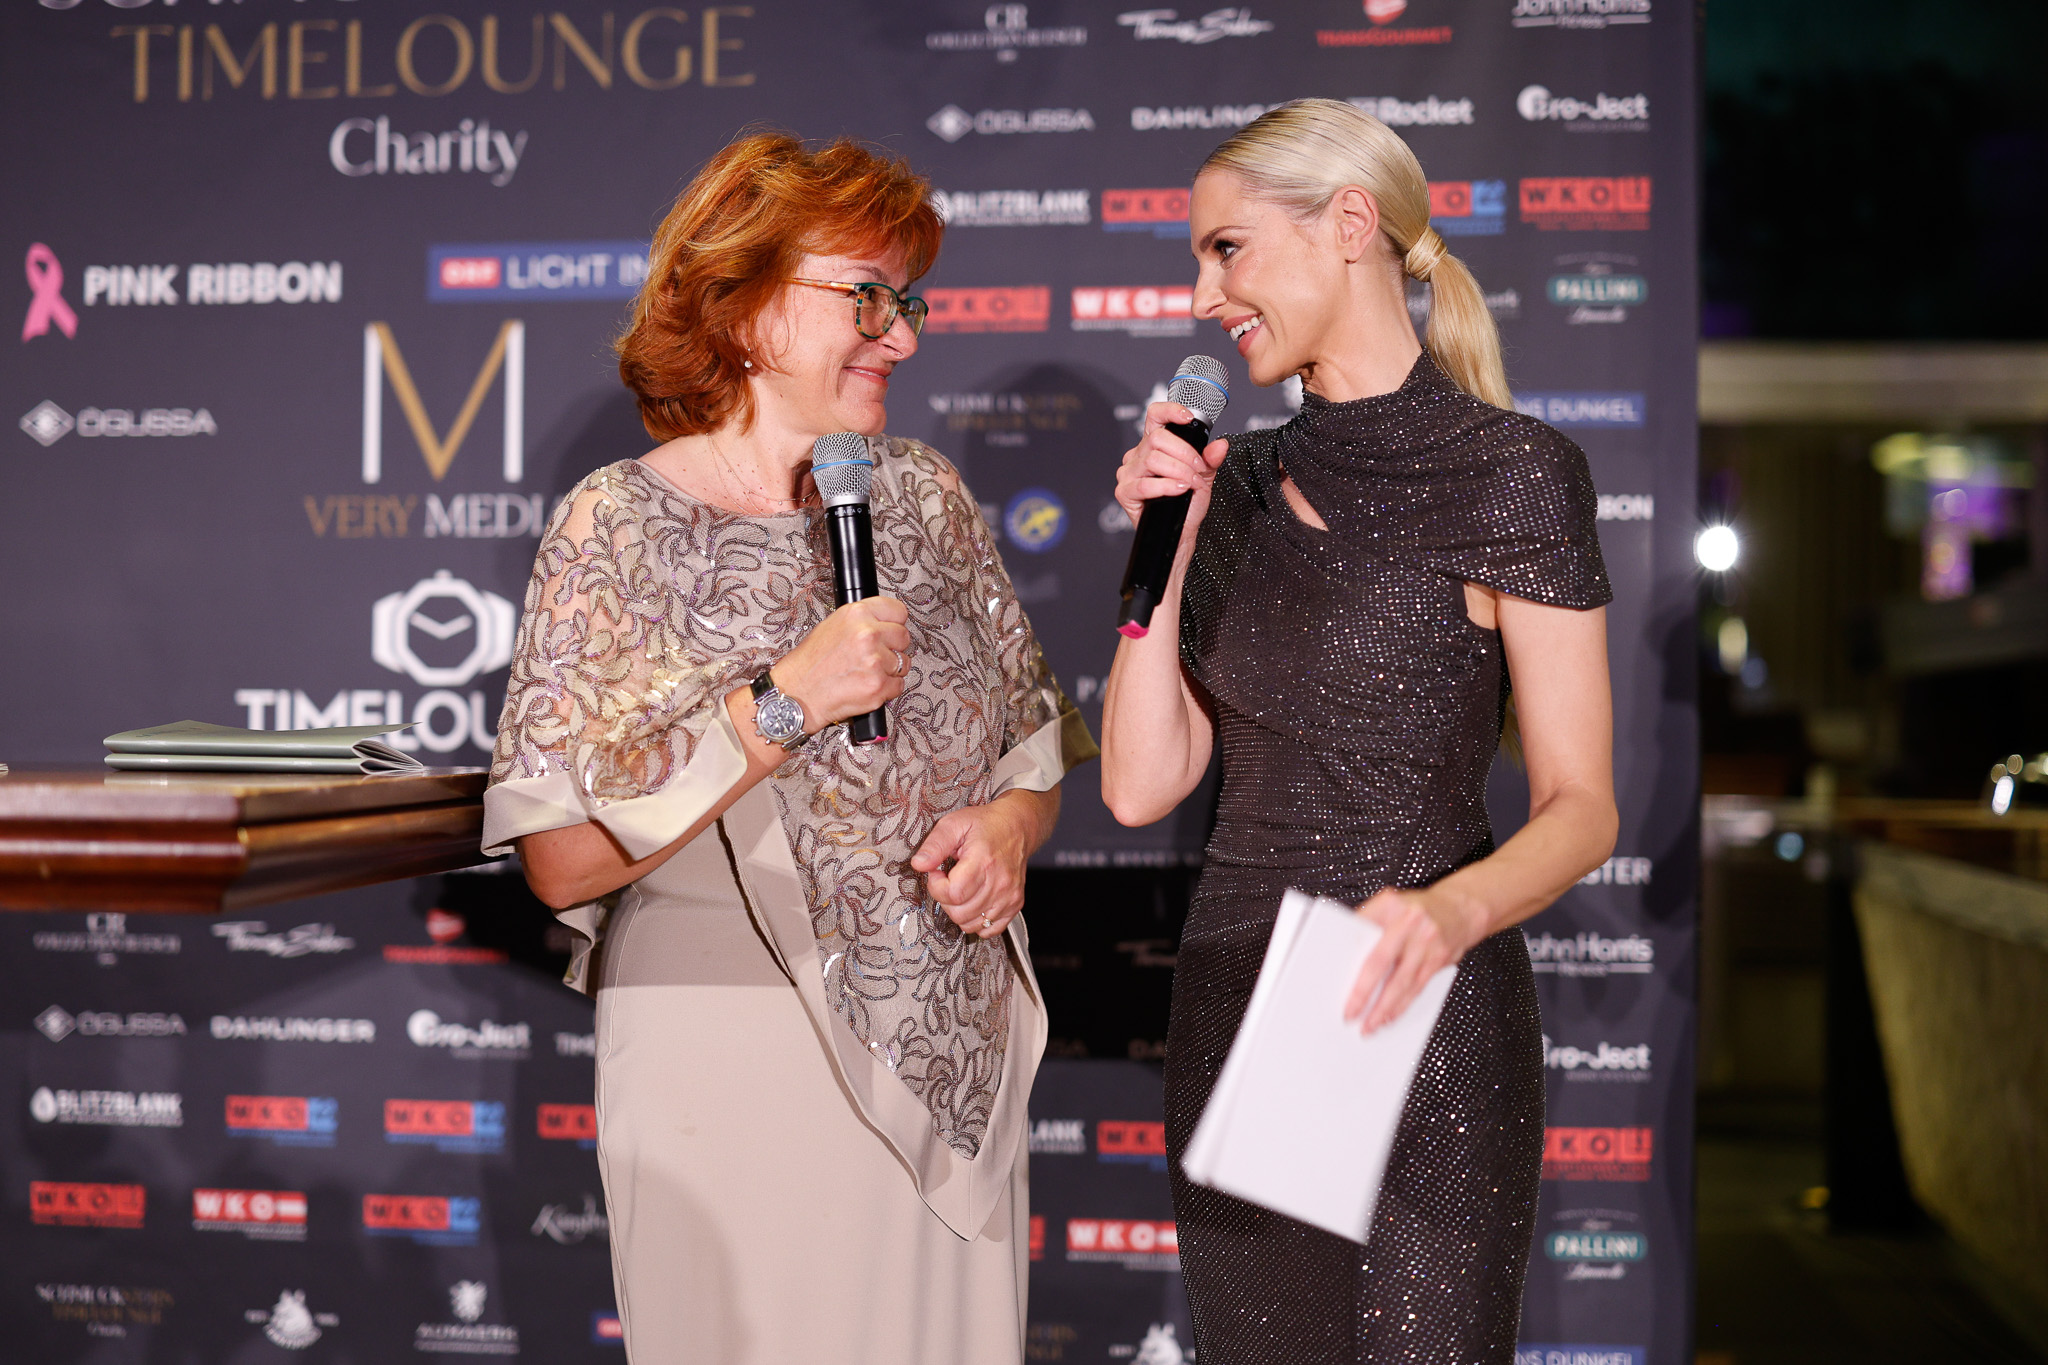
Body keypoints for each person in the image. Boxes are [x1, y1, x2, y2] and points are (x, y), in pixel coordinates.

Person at [481, 131, 1095, 1365]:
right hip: (729, 1061)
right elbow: (557, 861)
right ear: (742, 303)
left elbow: (1030, 753)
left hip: (952, 1057)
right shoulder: (617, 524)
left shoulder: (921, 496)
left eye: (906, 302)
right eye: (865, 298)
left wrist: (1006, 830)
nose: (899, 337)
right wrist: (783, 702)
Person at [1099, 99, 1618, 1363]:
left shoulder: (1512, 472)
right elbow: (1138, 785)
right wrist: (1164, 553)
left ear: (1345, 225)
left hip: (1423, 1012)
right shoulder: (1229, 489)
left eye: (1226, 248)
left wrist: (1448, 913)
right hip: (1241, 1006)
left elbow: (1582, 808)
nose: (1204, 293)